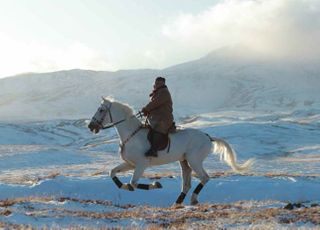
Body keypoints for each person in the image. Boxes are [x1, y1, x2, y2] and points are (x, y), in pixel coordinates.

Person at [142, 77, 174, 157]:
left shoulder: (164, 92)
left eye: (158, 83)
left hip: (163, 119)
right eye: (156, 83)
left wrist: (146, 109)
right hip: (156, 118)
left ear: (163, 83)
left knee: (158, 130)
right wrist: (147, 111)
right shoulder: (158, 92)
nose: (156, 84)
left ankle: (154, 150)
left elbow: (155, 103)